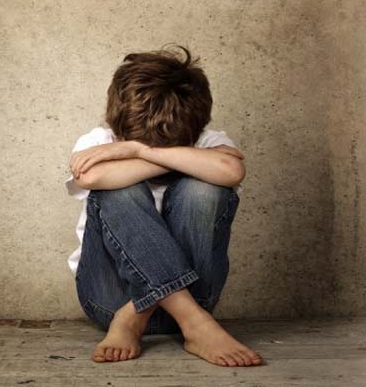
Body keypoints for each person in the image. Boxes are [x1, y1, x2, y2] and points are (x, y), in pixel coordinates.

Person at [64, 45, 264, 367]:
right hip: (110, 301)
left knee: (205, 189)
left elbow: (231, 170)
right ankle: (194, 324)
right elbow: (92, 177)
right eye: (136, 143)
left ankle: (140, 314)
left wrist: (138, 151)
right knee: (116, 191)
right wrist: (173, 157)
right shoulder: (100, 141)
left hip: (197, 296)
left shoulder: (206, 140)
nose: (144, 147)